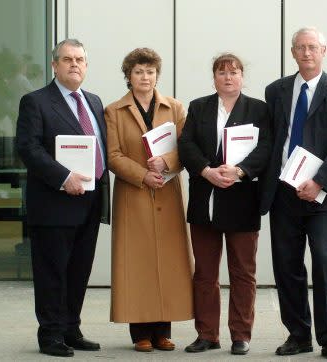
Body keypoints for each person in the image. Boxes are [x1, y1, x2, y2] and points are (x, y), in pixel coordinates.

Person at [261, 27, 327, 361]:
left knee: (322, 258)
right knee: (286, 265)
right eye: (300, 48)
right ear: (292, 52)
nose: (306, 53)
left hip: (322, 195)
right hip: (283, 192)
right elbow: (271, 141)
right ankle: (298, 334)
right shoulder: (275, 91)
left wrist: (319, 182)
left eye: (312, 47)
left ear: (324, 51)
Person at [15, 38, 110, 357]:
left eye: (80, 59)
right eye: (67, 59)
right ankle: (51, 335)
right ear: (54, 65)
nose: (74, 64)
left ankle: (71, 327)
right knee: (52, 271)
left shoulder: (94, 102)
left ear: (86, 65)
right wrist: (63, 177)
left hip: (90, 201)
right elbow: (28, 148)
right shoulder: (36, 101)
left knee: (79, 269)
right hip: (54, 202)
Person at [178, 53, 271, 356]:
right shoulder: (199, 107)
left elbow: (266, 147)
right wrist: (207, 170)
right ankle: (207, 334)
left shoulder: (258, 109)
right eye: (221, 72)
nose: (228, 77)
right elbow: (186, 144)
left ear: (242, 76)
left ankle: (241, 334)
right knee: (205, 272)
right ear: (214, 77)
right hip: (206, 197)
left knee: (243, 272)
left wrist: (240, 171)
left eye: (234, 72)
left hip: (242, 199)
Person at [105, 48, 194, 352]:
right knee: (137, 263)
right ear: (128, 76)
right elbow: (113, 155)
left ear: (158, 74)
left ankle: (163, 331)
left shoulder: (176, 108)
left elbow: (188, 148)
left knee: (168, 263)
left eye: (150, 71)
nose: (145, 77)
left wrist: (168, 161)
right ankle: (140, 332)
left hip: (167, 193)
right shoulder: (114, 111)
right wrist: (142, 175)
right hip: (134, 194)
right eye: (139, 72)